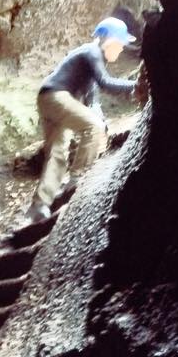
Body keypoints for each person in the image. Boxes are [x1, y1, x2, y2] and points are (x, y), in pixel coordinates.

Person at [25, 17, 138, 221]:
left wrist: (99, 114)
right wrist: (136, 85)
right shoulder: (92, 51)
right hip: (57, 96)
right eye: (121, 44)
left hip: (47, 97)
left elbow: (92, 96)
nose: (121, 50)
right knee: (93, 127)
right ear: (110, 40)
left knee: (58, 152)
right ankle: (79, 178)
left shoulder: (89, 57)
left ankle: (40, 206)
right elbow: (105, 83)